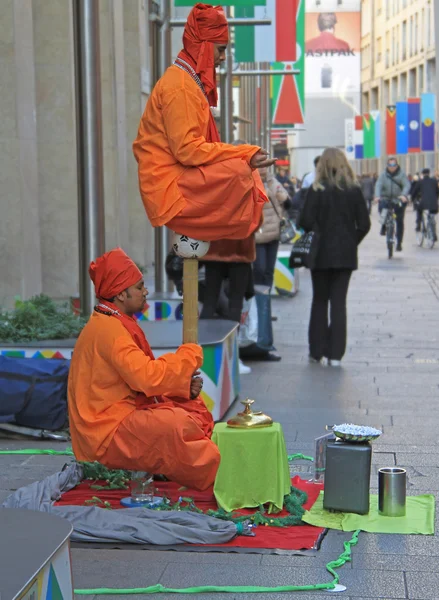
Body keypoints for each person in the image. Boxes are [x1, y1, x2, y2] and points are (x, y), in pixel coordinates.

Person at [68, 248, 220, 491]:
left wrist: (182, 388)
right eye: (139, 287)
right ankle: (222, 475)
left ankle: (194, 466)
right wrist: (188, 355)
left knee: (189, 405)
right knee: (175, 423)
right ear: (120, 294)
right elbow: (146, 378)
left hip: (118, 415)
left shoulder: (110, 322)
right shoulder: (110, 330)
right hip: (105, 431)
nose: (146, 291)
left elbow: (139, 379)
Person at [133, 3, 275, 243]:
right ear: (203, 47)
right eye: (220, 49)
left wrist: (244, 155)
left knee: (243, 170)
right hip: (170, 187)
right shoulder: (180, 86)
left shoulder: (186, 81)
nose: (222, 57)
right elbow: (188, 151)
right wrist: (244, 154)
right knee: (240, 172)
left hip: (176, 178)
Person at [297, 148, 370, 367]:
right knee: (339, 303)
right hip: (345, 254)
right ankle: (336, 355)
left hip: (319, 254)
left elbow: (305, 222)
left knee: (319, 301)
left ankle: (316, 351)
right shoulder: (354, 190)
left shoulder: (315, 190)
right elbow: (364, 224)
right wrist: (351, 241)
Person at [374, 157, 410, 252]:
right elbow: (378, 185)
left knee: (399, 220)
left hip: (398, 198)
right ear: (387, 165)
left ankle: (399, 242)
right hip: (386, 198)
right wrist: (377, 196)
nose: (392, 167)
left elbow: (406, 185)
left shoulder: (401, 174)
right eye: (390, 165)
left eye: (394, 165)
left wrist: (403, 195)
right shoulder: (383, 175)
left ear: (397, 165)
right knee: (382, 208)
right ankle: (384, 225)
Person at [411, 168, 439, 236]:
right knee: (431, 215)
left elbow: (414, 192)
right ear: (429, 173)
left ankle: (418, 226)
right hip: (434, 204)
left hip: (424, 203)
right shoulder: (434, 181)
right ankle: (433, 232)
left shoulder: (420, 182)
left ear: (422, 174)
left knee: (419, 210)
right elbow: (437, 192)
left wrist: (412, 199)